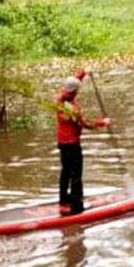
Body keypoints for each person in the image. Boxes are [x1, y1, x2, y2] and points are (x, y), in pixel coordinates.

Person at [55, 69, 111, 215]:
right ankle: (77, 205)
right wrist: (102, 123)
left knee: (65, 171)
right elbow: (85, 123)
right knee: (76, 174)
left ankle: (63, 200)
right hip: (72, 144)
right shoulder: (71, 110)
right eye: (77, 91)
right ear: (74, 93)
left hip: (62, 142)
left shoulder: (60, 97)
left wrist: (83, 73)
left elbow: (72, 82)